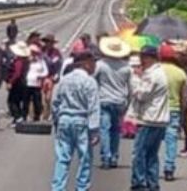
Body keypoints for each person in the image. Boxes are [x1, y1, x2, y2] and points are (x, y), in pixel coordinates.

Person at [51, 48, 101, 191]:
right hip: (81, 120)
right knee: (84, 158)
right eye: (93, 63)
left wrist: (56, 119)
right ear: (86, 63)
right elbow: (93, 107)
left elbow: (55, 102)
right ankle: (82, 187)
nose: (94, 66)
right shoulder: (89, 81)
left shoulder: (64, 80)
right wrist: (94, 130)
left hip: (64, 119)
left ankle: (58, 187)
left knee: (62, 157)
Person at [131, 44, 171, 191]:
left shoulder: (152, 75)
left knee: (140, 153)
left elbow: (141, 95)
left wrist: (135, 79)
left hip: (149, 118)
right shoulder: (158, 72)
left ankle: (140, 182)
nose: (141, 60)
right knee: (151, 154)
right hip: (158, 119)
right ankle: (152, 182)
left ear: (150, 58)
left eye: (143, 57)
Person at [95, 36, 133, 170]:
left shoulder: (100, 64)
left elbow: (93, 80)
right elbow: (131, 87)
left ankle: (106, 156)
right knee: (116, 130)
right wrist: (129, 103)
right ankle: (114, 156)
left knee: (104, 129)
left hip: (104, 99)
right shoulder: (126, 67)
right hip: (119, 101)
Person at [160, 43, 187, 182]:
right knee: (171, 140)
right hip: (174, 109)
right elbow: (184, 97)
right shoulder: (181, 73)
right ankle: (169, 168)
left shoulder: (155, 70)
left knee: (152, 142)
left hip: (156, 111)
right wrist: (183, 112)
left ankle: (151, 168)